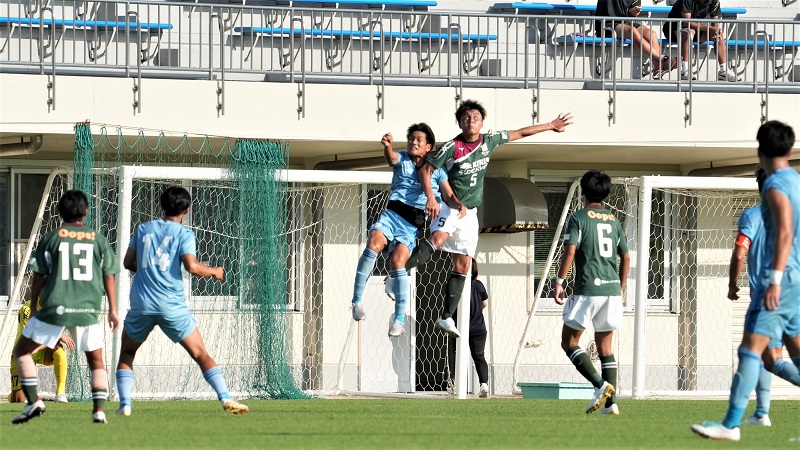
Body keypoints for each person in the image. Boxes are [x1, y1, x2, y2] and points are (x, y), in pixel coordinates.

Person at [406, 99, 572, 338]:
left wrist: (550, 125)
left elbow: (520, 133)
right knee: (438, 239)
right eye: (466, 117)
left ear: (482, 122)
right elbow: (425, 170)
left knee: (464, 265)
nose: (471, 120)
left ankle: (445, 317)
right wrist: (431, 198)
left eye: (475, 117)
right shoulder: (452, 146)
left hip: (470, 213)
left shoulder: (490, 140)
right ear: (460, 123)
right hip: (450, 207)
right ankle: (398, 271)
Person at [692, 121, 800, 441]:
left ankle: (730, 425)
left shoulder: (773, 185)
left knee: (750, 351)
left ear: (759, 150)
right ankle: (755, 415)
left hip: (776, 282)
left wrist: (775, 279)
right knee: (791, 352)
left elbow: (784, 232)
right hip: (796, 280)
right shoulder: (797, 181)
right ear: (790, 151)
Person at [115, 186, 249, 416]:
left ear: (162, 206)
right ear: (186, 210)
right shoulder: (184, 234)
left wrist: (148, 271)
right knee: (201, 354)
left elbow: (128, 263)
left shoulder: (143, 229)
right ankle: (225, 398)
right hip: (171, 305)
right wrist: (214, 271)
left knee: (127, 353)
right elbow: (192, 266)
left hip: (142, 304)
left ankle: (125, 404)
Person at [11, 189, 120, 424]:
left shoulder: (51, 238)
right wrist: (113, 309)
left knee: (21, 352)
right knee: (96, 361)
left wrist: (34, 306)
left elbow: (38, 276)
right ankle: (99, 411)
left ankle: (35, 401)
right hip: (86, 309)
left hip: (55, 307)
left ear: (60, 212)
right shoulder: (98, 239)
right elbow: (109, 275)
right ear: (86, 211)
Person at [351, 124, 462, 337]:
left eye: (419, 139)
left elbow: (449, 195)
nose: (414, 142)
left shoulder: (437, 170)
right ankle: (357, 302)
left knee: (398, 262)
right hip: (392, 215)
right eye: (411, 138)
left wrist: (459, 206)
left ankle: (399, 319)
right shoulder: (402, 159)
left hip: (411, 226)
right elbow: (391, 157)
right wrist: (387, 146)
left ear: (428, 146)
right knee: (373, 243)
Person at [553, 170, 630, 415]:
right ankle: (612, 404)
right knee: (605, 348)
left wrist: (559, 281)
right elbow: (626, 257)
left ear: (583, 191)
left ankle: (600, 385)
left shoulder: (578, 218)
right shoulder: (614, 220)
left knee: (569, 342)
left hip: (588, 288)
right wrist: (620, 287)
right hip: (612, 290)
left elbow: (570, 251)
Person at [9, 299, 74, 403]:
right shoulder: (27, 309)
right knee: (18, 401)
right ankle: (13, 396)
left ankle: (60, 393)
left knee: (59, 350)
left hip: (41, 350)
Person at [593, 0, 678, 79]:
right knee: (633, 31)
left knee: (652, 34)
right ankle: (662, 58)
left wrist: (633, 12)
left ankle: (658, 68)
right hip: (605, 23)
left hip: (624, 22)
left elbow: (632, 12)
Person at [662, 0, 739, 82]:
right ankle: (684, 71)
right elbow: (686, 22)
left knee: (719, 36)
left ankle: (723, 71)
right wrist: (710, 29)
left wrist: (716, 31)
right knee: (689, 32)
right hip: (673, 28)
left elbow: (715, 22)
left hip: (694, 28)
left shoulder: (714, 1)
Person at [447, 258, 490, 397]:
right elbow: (485, 304)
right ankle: (484, 384)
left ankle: (455, 385)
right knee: (479, 356)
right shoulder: (478, 285)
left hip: (459, 328)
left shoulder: (456, 284)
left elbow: (450, 304)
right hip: (478, 328)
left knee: (456, 355)